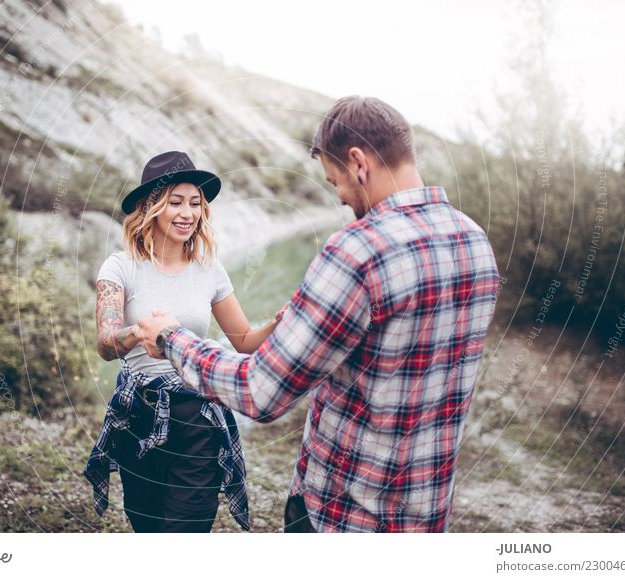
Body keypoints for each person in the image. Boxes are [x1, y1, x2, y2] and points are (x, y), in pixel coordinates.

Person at [137, 97, 501, 533]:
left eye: (335, 183)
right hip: (425, 516)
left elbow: (260, 392)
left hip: (342, 518)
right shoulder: (474, 240)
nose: (343, 199)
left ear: (358, 163)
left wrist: (172, 338)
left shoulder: (357, 249)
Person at [83, 151, 287, 533]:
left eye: (195, 203)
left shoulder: (210, 269)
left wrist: (278, 324)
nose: (187, 213)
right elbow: (105, 344)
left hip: (198, 418)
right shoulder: (119, 266)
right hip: (138, 416)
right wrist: (137, 334)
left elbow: (243, 341)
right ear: (151, 207)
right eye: (175, 202)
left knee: (188, 529)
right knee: (146, 524)